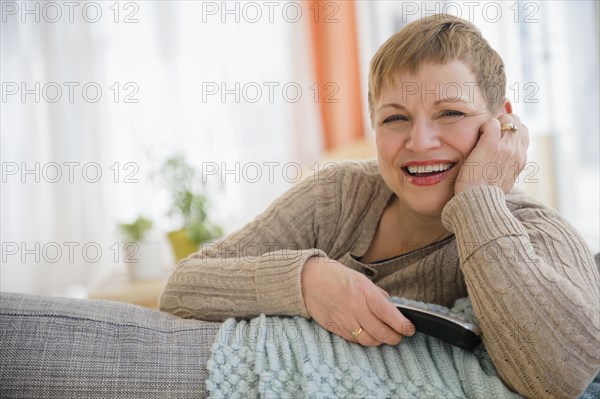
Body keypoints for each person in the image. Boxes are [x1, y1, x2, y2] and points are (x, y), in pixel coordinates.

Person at [159, 14, 599, 399]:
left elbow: (559, 380)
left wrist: (478, 201)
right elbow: (182, 290)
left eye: (450, 113)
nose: (420, 141)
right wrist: (308, 281)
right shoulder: (339, 194)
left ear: (502, 123)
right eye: (395, 118)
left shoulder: (540, 232)